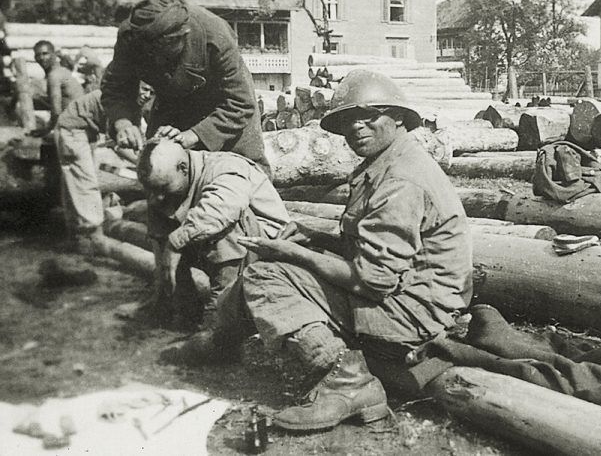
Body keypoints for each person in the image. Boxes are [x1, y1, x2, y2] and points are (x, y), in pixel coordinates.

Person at [170, 70, 473, 431]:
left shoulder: (400, 180)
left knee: (266, 276)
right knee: (285, 253)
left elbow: (372, 281)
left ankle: (348, 382)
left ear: (397, 118)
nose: (357, 128)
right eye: (348, 121)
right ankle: (221, 340)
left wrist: (291, 253)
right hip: (409, 293)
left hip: (414, 312)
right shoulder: (390, 161)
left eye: (369, 117)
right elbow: (369, 246)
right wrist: (311, 235)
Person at [101, 0, 269, 174]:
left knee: (243, 177)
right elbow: (115, 87)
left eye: (162, 51)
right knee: (159, 170)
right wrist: (123, 122)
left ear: (181, 35)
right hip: (172, 104)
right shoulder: (131, 37)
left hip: (224, 109)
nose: (156, 60)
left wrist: (194, 135)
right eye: (149, 52)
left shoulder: (214, 34)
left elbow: (240, 102)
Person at [135, 138, 289, 328]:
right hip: (230, 248)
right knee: (170, 218)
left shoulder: (224, 167)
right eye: (151, 190)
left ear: (183, 168)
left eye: (162, 188)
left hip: (269, 248)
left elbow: (223, 210)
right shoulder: (174, 177)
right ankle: (184, 311)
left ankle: (219, 317)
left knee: (221, 225)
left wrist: (175, 242)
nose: (156, 197)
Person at [53, 87, 154, 253]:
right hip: (73, 129)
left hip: (86, 131)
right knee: (85, 183)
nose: (147, 95)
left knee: (76, 182)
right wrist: (140, 163)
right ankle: (94, 236)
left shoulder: (134, 105)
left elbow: (134, 140)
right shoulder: (116, 99)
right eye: (144, 89)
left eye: (151, 92)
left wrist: (140, 160)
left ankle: (77, 237)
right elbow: (115, 143)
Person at [31, 40, 84, 136]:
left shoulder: (54, 76)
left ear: (54, 54)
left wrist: (46, 131)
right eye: (38, 55)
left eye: (45, 54)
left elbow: (56, 111)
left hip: (73, 126)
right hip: (78, 119)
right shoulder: (62, 70)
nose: (42, 58)